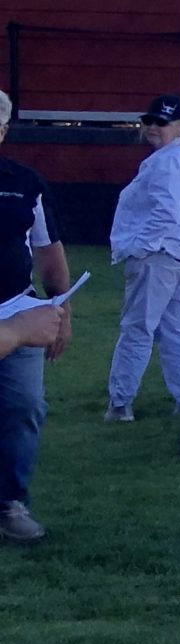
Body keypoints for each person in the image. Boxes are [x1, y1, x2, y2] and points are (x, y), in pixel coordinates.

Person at [105, 96, 180, 423]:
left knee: (137, 327)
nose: (152, 128)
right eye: (149, 121)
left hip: (160, 254)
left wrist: (140, 246)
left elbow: (166, 210)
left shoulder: (170, 160)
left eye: (160, 123)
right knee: (178, 327)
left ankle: (120, 403)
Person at [0, 90, 72, 541]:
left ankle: (10, 502)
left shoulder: (25, 182)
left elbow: (48, 250)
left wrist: (61, 306)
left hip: (16, 307)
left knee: (24, 406)